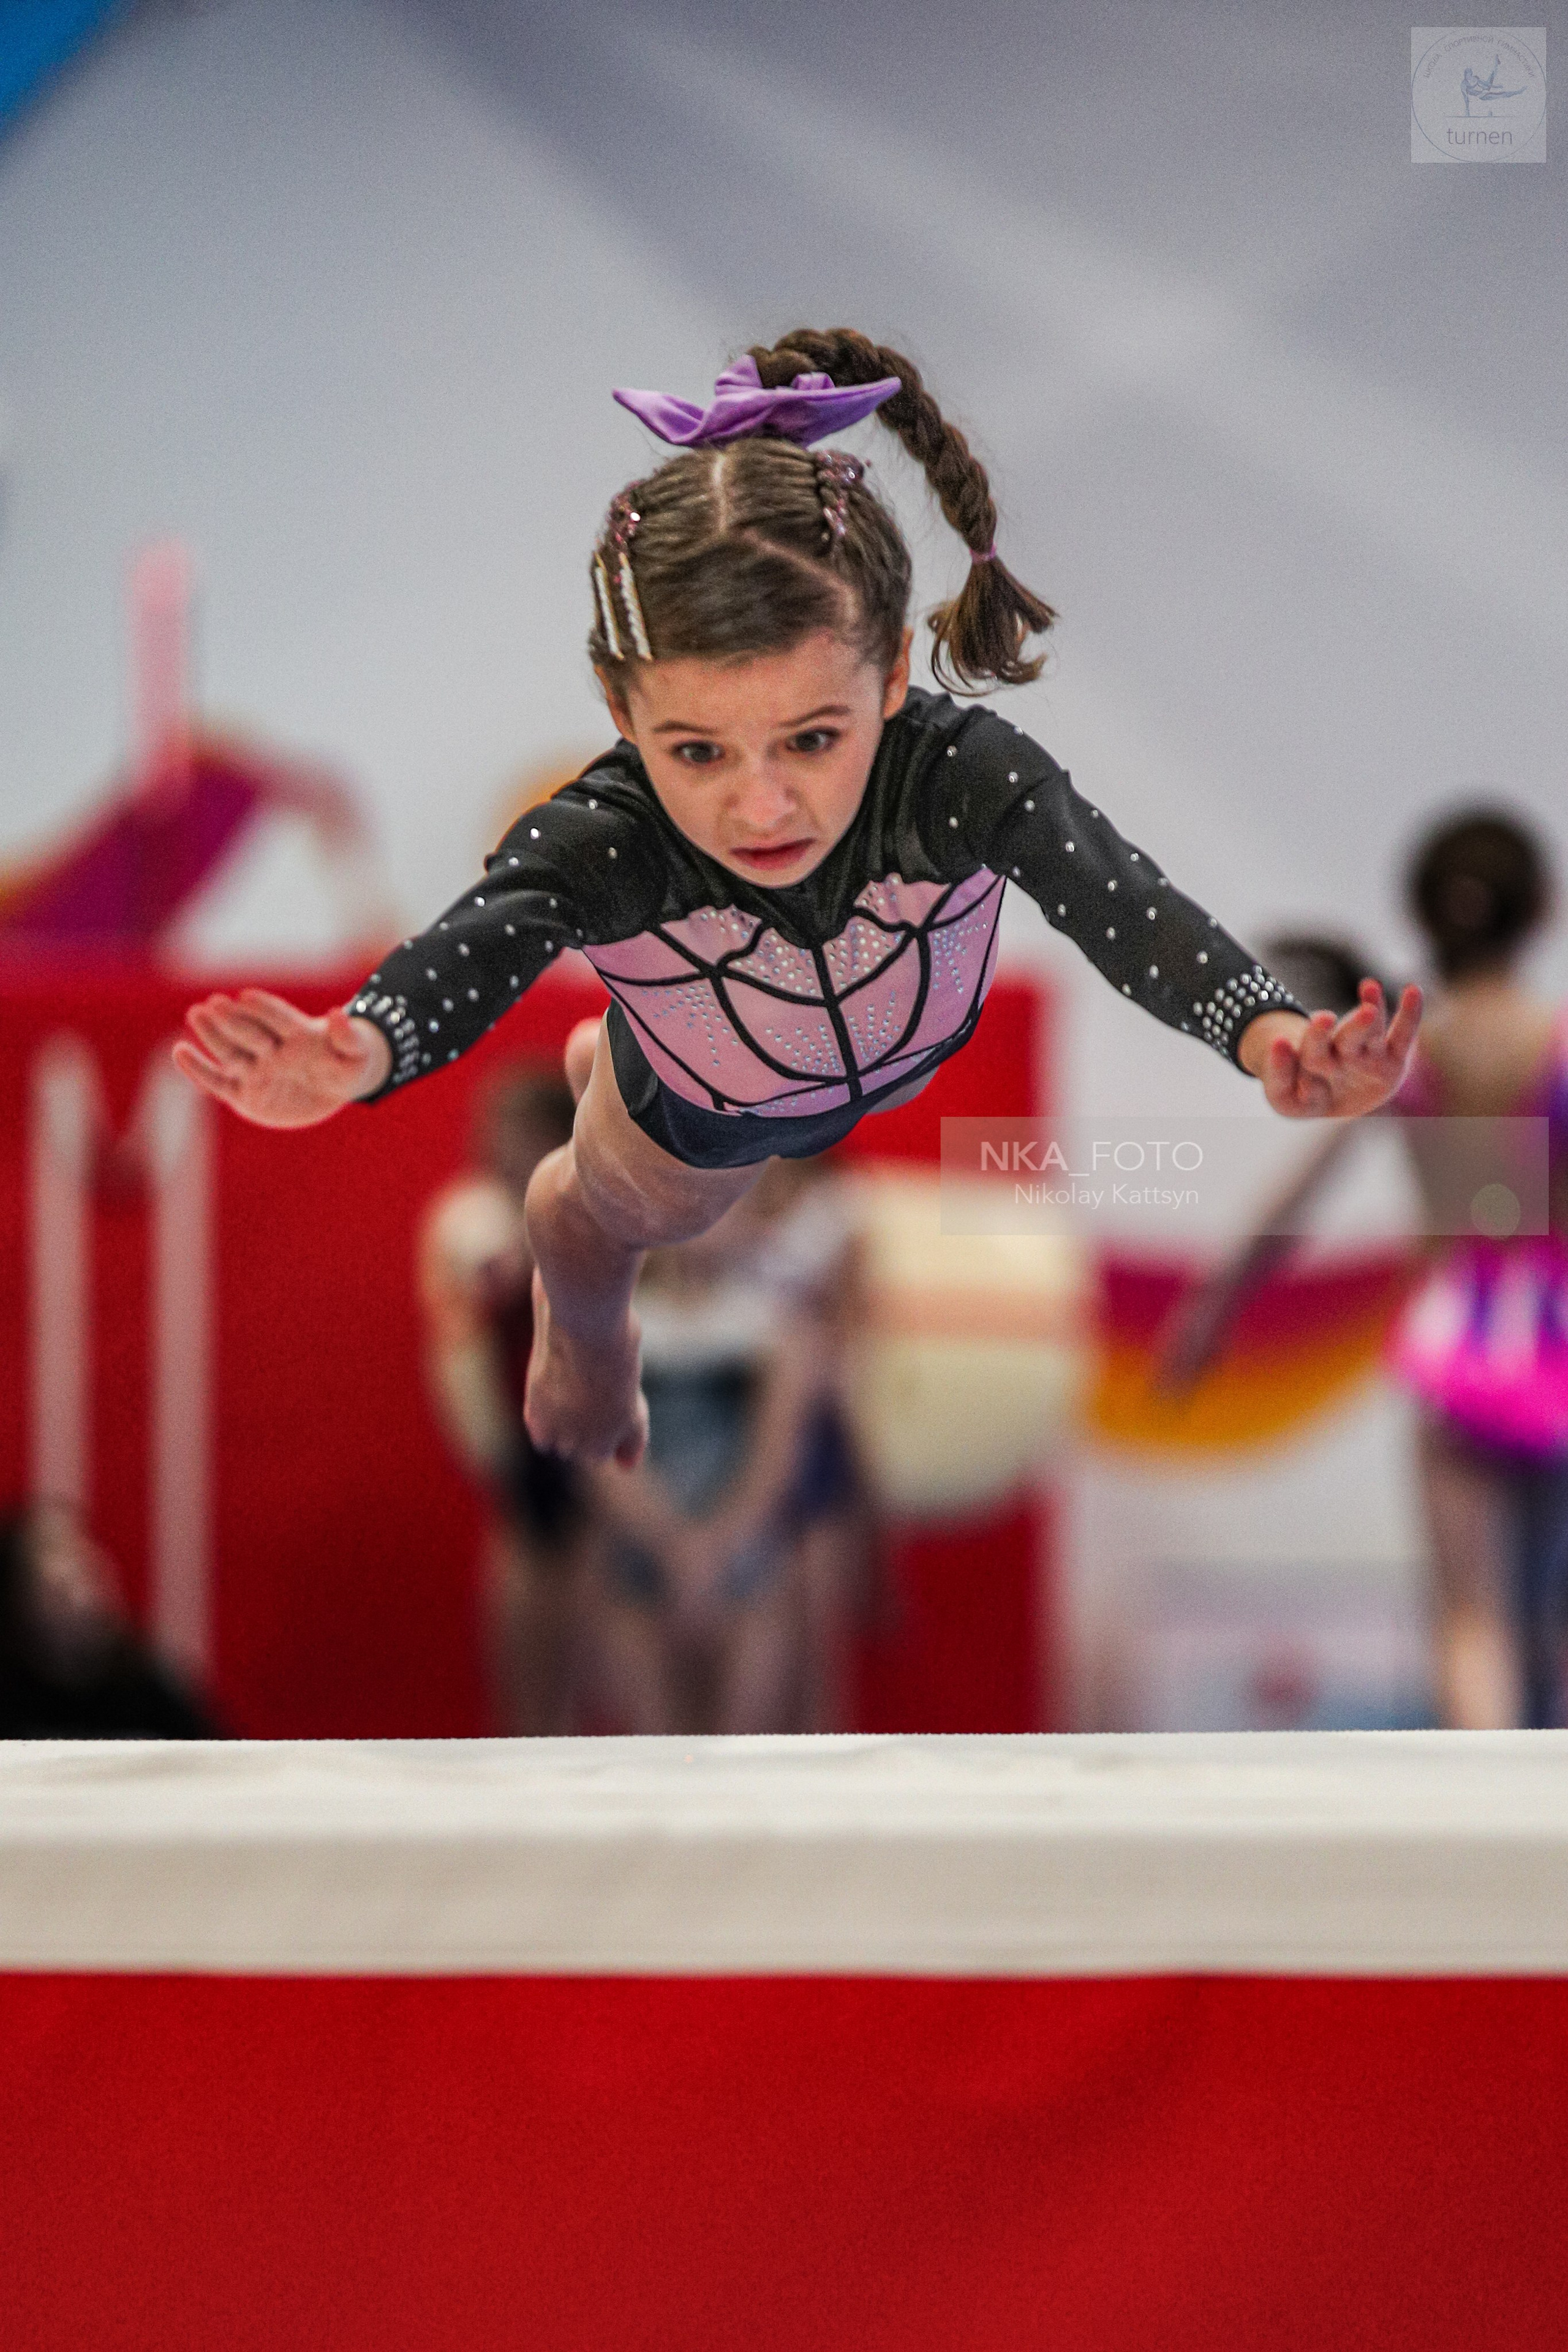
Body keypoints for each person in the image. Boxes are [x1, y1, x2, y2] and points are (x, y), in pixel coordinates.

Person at [173, 330, 1420, 1469]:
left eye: (811, 741)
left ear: (888, 680)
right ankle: (588, 1306)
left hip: (896, 1050)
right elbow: (477, 940)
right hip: (708, 1103)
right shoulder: (612, 837)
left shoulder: (957, 778)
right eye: (697, 752)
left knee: (692, 1088)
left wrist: (1265, 1035)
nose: (760, 808)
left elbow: (1119, 902)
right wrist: (359, 1048)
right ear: (621, 717)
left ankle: (602, 1051)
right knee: (595, 1213)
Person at [1158, 820, 1568, 1727]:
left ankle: (1487, 1831)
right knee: (1549, 1622)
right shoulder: (1556, 1047)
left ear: (1429, 915)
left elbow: (1292, 1203)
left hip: (1459, 1343)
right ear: (1540, 912)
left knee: (1472, 1619)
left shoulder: (1414, 1057)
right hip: (1557, 1341)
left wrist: (1209, 1313)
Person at [586, 1158, 867, 1735]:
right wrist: (671, 1544)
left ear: (754, 1217)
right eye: (686, 1202)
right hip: (642, 1552)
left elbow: (774, 1462)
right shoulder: (617, 1324)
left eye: (724, 1203)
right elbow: (603, 1461)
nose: (703, 1219)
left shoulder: (778, 1329)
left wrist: (715, 1547)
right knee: (655, 1744)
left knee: (740, 1744)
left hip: (744, 1554)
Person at [418, 1063, 591, 1734]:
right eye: (486, 1132)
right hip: (530, 1449)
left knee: (589, 1610)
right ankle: (531, 1737)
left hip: (593, 1442)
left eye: (510, 1134)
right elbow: (484, 1270)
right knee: (525, 1594)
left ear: (556, 1135)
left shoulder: (591, 1201)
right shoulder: (478, 1215)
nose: (491, 1148)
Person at [0, 1501, 221, 1739]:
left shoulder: (146, 1682)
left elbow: (211, 1762)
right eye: (59, 1590)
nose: (80, 1595)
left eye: (84, 1570)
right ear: (18, 1596)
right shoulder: (9, 1692)